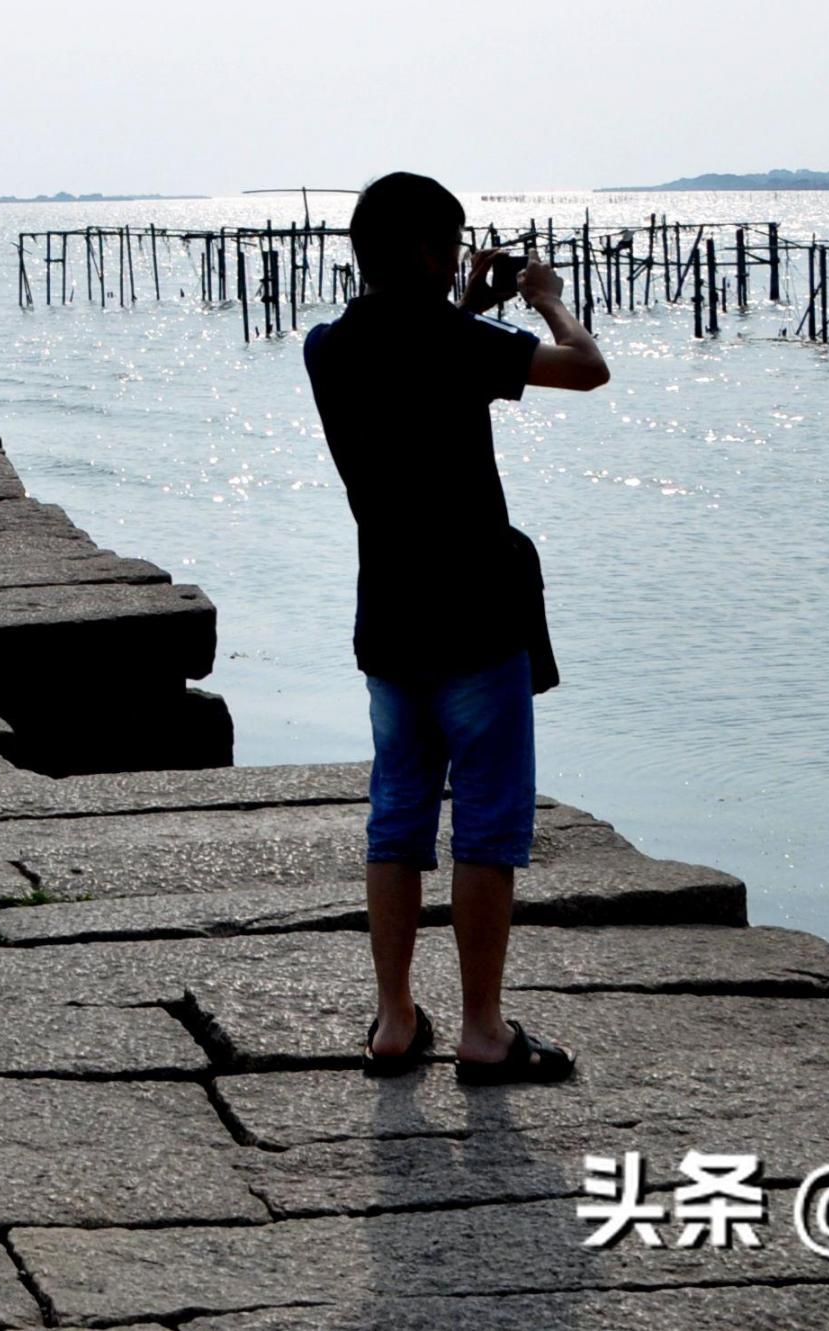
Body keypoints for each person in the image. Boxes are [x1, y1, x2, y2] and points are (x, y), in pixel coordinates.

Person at [301, 169, 610, 1087]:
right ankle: (482, 1028)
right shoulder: (459, 342)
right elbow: (586, 369)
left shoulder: (326, 348)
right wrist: (549, 302)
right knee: (485, 826)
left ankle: (394, 1021)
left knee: (395, 821)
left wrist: (466, 302)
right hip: (476, 617)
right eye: (452, 241)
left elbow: (415, 350)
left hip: (389, 615)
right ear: (428, 251)